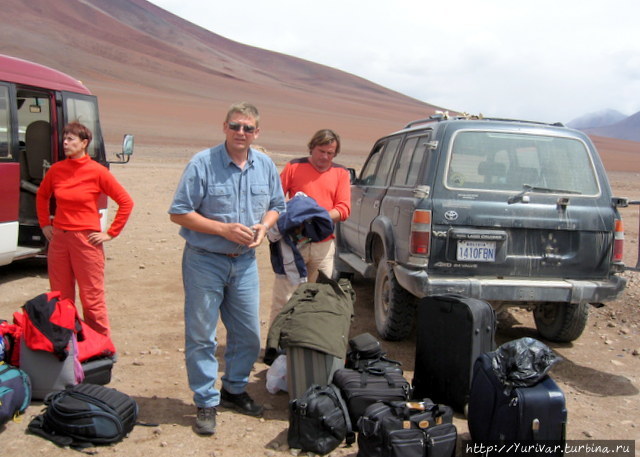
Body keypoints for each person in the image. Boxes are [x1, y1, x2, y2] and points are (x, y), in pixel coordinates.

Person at [168, 102, 285, 436]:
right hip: (205, 260)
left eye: (248, 128)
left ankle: (234, 389)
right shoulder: (202, 164)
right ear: (224, 127)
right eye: (235, 126)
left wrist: (264, 227)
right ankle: (206, 400)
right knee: (202, 334)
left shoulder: (264, 166)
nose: (241, 133)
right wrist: (223, 229)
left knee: (248, 332)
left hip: (245, 263)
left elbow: (278, 205)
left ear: (257, 132)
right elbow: (179, 212)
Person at [36, 121, 134, 337]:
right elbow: (42, 195)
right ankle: (66, 342)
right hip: (60, 240)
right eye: (64, 138)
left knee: (92, 298)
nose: (65, 142)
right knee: (60, 297)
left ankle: (100, 346)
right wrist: (45, 223)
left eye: (71, 139)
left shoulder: (97, 172)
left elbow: (126, 201)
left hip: (86, 241)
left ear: (84, 143)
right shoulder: (57, 170)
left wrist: (110, 233)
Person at [269, 129, 351, 322]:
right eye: (321, 151)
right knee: (284, 298)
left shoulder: (340, 172)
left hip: (323, 246)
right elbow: (276, 200)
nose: (325, 156)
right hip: (293, 245)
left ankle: (308, 348)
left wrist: (316, 217)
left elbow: (344, 208)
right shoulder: (294, 167)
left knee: (318, 299)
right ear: (312, 147)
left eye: (330, 153)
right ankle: (275, 349)